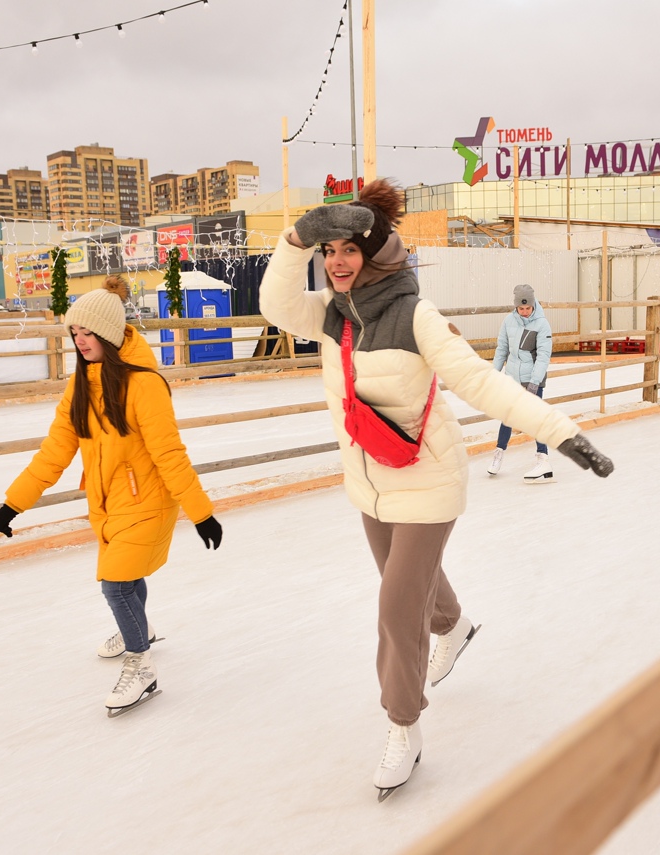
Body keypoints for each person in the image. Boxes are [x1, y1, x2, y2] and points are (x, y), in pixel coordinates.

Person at [258, 179, 614, 797]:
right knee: (413, 584)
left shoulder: (414, 315)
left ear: (375, 253)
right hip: (370, 480)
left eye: (350, 249)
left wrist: (562, 433)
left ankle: (404, 726)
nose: (338, 262)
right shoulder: (329, 314)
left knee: (397, 606)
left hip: (428, 477)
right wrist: (294, 239)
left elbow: (482, 382)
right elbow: (274, 306)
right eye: (329, 250)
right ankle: (454, 626)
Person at [0, 277, 223, 716]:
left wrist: (201, 512)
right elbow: (53, 453)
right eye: (74, 333)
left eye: (88, 332)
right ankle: (140, 628)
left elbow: (169, 453)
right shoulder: (81, 386)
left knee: (115, 585)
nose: (80, 341)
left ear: (110, 334)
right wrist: (12, 504)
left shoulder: (144, 385)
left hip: (148, 501)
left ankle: (141, 665)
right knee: (128, 578)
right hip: (107, 503)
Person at [488, 283, 555, 482]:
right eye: (521, 308)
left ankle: (543, 460)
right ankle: (499, 453)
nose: (525, 312)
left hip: (532, 379)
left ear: (533, 305)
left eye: (528, 308)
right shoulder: (509, 321)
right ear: (516, 306)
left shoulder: (542, 324)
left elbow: (543, 356)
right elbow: (502, 350)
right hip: (512, 378)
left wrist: (534, 384)